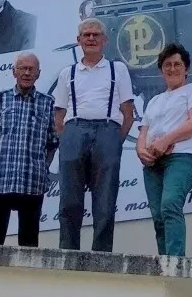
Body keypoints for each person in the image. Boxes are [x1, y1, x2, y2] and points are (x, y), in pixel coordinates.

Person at [53, 18, 136, 252]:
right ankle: (68, 253)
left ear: (105, 40)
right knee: (69, 199)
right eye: (86, 35)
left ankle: (102, 255)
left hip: (108, 130)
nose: (91, 38)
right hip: (74, 130)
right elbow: (59, 114)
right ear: (78, 40)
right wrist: (67, 138)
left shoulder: (117, 69)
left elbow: (128, 112)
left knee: (105, 200)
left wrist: (113, 140)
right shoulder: (66, 73)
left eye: (96, 35)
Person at [0, 52, 59, 246]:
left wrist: (43, 168)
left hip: (32, 182)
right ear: (14, 72)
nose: (27, 73)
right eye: (23, 68)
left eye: (32, 69)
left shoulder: (48, 103)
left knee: (29, 244)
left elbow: (52, 143)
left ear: (38, 73)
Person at [136, 42, 192, 257]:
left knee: (169, 204)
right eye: (167, 65)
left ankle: (176, 263)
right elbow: (143, 132)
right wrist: (142, 150)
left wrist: (165, 141)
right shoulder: (154, 101)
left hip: (183, 158)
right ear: (161, 70)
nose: (172, 69)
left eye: (177, 64)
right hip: (153, 163)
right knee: (158, 215)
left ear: (186, 69)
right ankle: (164, 262)